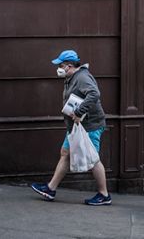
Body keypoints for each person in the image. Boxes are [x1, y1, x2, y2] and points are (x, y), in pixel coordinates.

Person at [30, 50, 112, 206]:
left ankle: (104, 195)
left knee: (93, 159)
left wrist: (79, 111)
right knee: (65, 153)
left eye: (61, 66)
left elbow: (94, 94)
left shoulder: (82, 77)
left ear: (69, 66)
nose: (59, 69)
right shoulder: (72, 77)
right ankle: (50, 189)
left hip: (90, 126)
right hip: (77, 126)